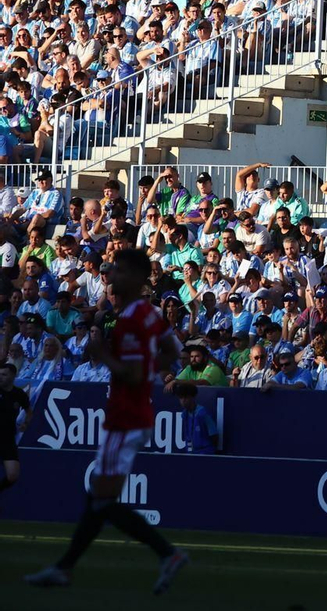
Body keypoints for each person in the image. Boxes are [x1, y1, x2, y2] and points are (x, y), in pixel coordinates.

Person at [25, 250, 189, 593]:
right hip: (133, 414)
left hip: (126, 416)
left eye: (118, 270)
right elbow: (172, 350)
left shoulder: (130, 319)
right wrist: (145, 368)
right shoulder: (146, 312)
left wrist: (103, 357)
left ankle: (166, 553)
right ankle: (66, 567)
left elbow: (129, 374)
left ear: (136, 277)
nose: (111, 275)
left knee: (101, 500)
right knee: (99, 498)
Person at [0, 362, 28, 497]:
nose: (0, 377)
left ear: (13, 376)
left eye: (4, 374)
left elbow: (29, 411)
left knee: (13, 475)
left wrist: (26, 423)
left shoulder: (19, 394)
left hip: (8, 439)